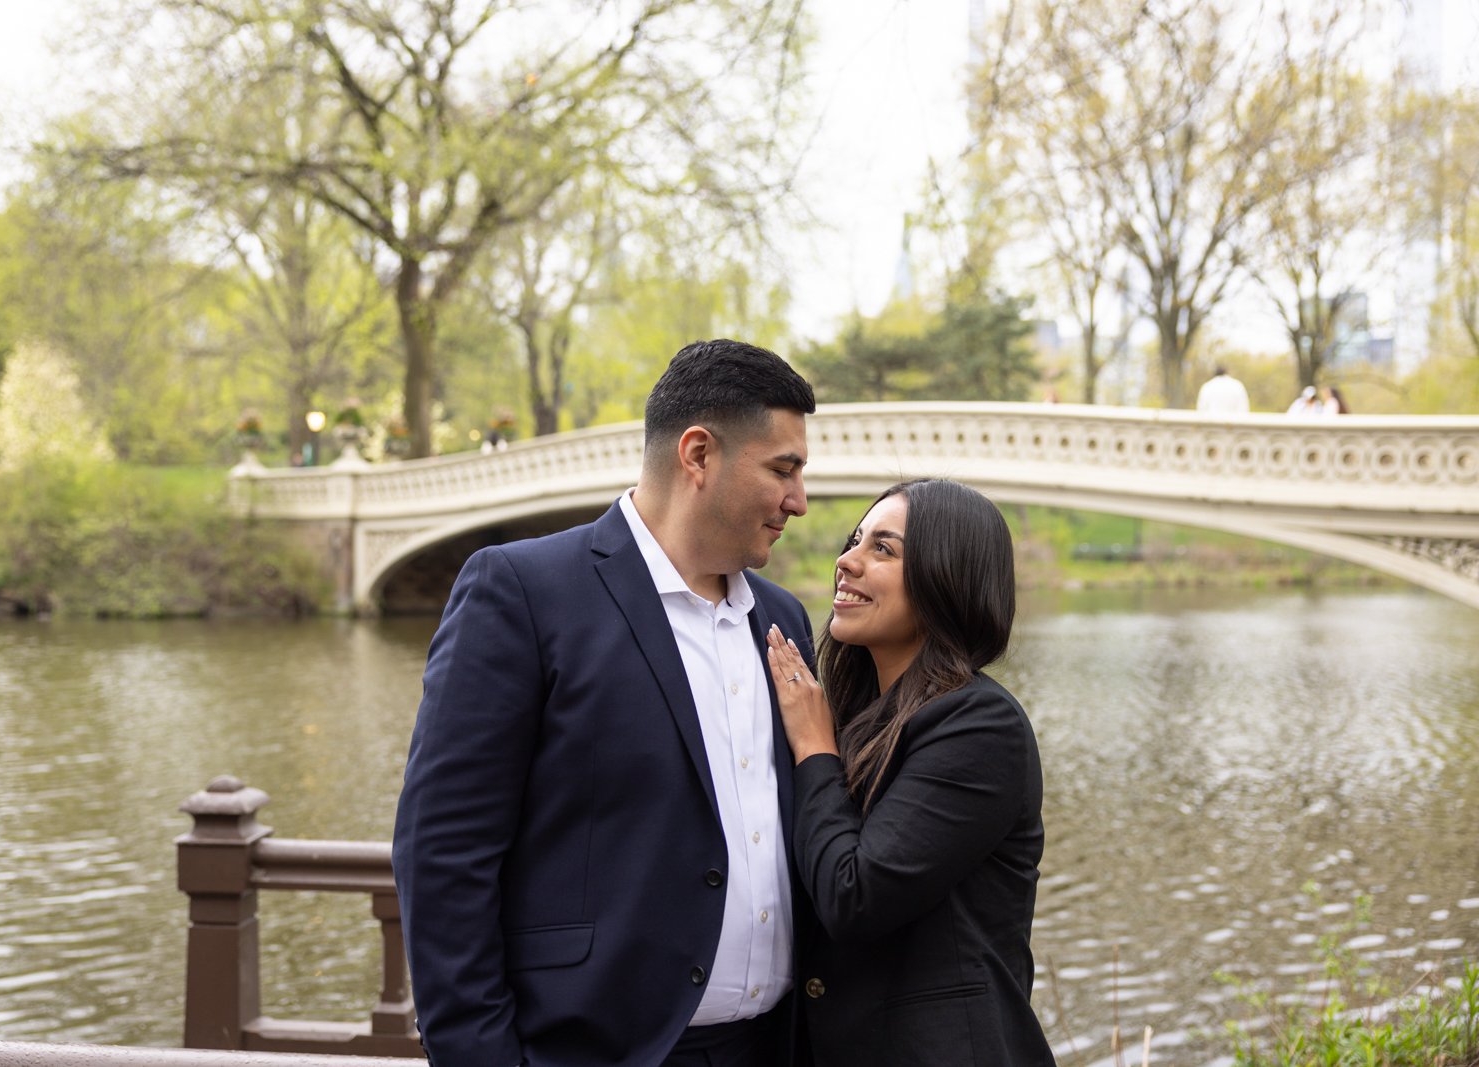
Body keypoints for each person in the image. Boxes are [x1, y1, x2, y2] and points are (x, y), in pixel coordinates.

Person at [393, 339, 818, 1067]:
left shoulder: (782, 620)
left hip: (772, 1050)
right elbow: (443, 856)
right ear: (698, 455)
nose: (799, 501)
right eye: (783, 468)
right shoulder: (523, 593)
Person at [764, 479, 1056, 1066]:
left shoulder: (979, 725)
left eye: (883, 549)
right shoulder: (856, 717)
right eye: (855, 541)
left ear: (945, 579)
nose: (846, 562)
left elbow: (854, 896)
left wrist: (815, 750)